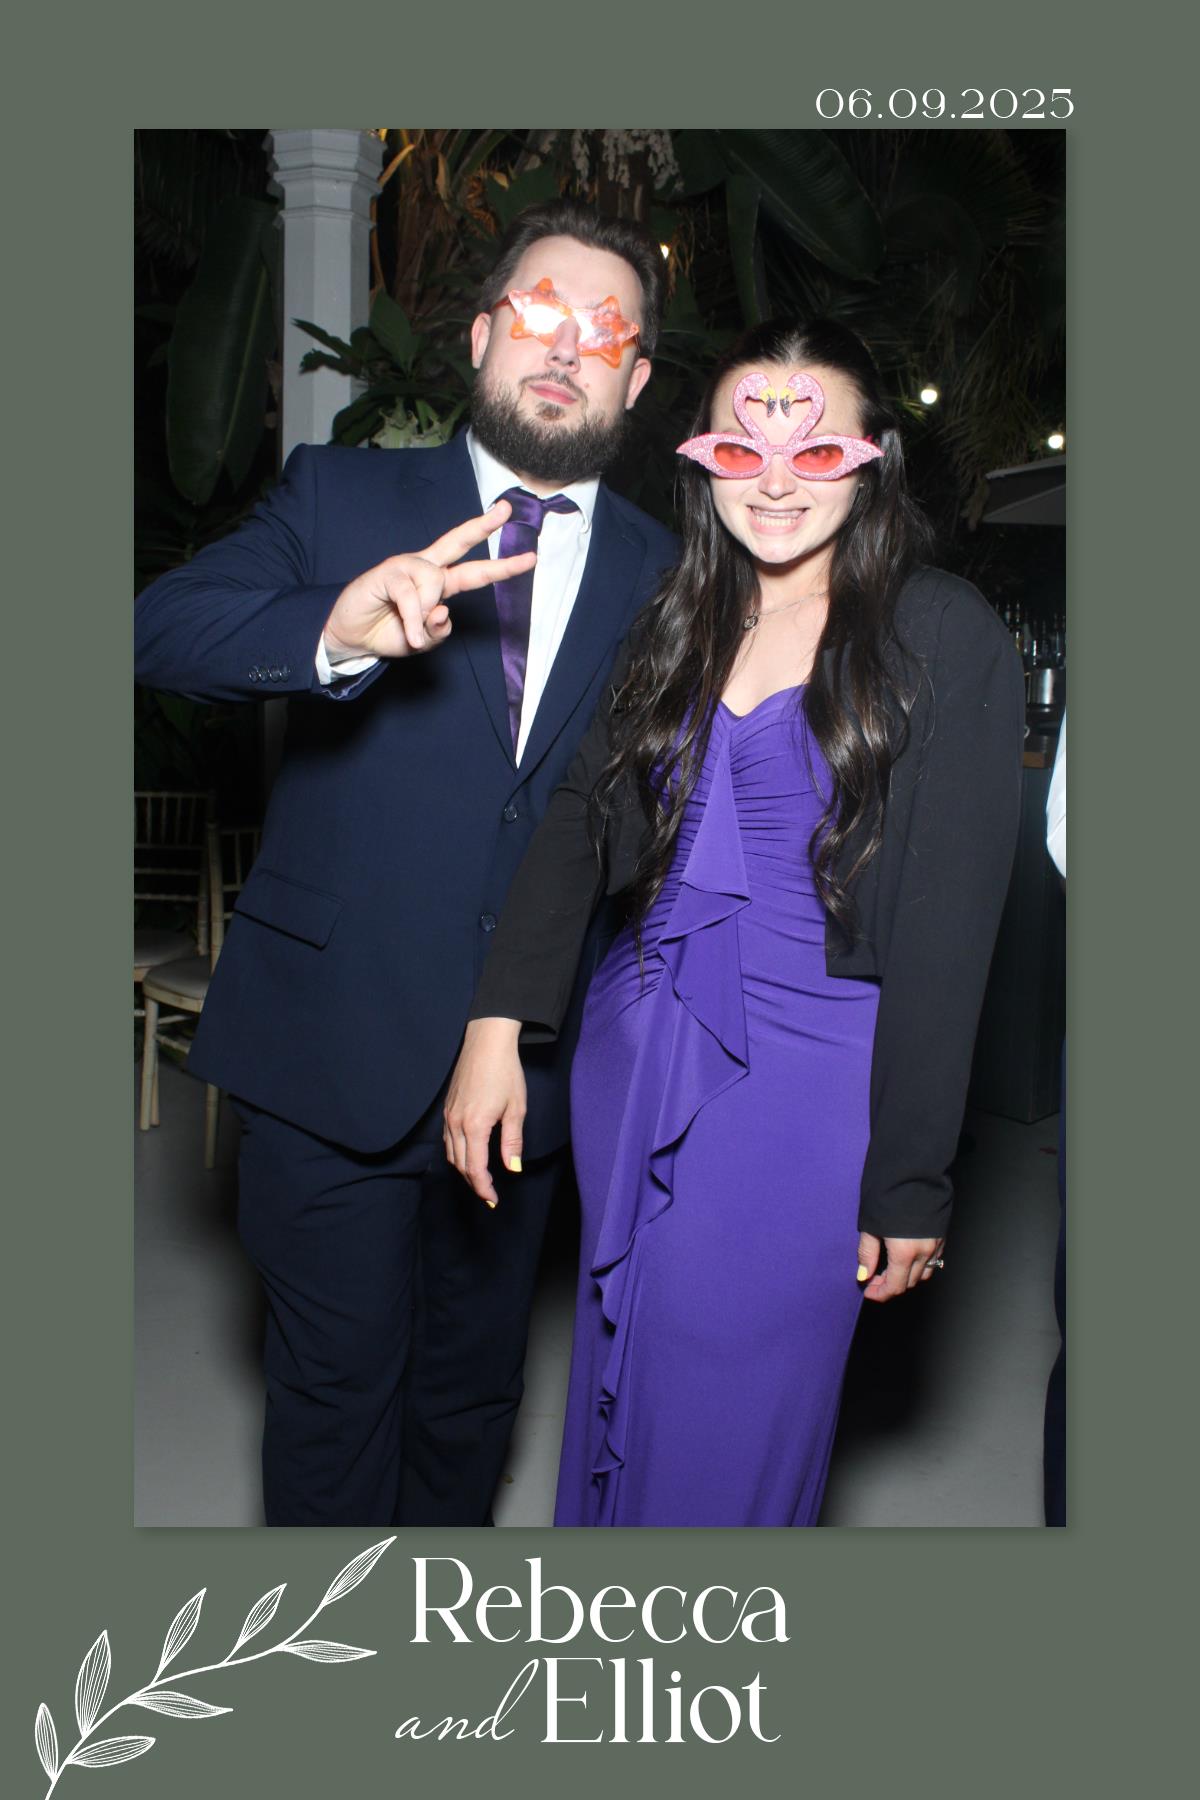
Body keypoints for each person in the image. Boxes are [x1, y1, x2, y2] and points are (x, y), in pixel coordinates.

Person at [134, 200, 678, 1527]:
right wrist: (331, 628)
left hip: (528, 1070)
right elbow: (161, 626)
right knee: (334, 1410)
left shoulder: (669, 572)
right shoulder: (344, 494)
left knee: (466, 1408)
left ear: (637, 380)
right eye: (538, 312)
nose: (566, 345)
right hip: (329, 1044)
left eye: (605, 329)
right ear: (483, 336)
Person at [445, 318, 1025, 1527]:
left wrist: (910, 1178)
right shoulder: (678, 612)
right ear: (700, 456)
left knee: (729, 1428)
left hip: (811, 1087)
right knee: (631, 1383)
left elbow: (950, 933)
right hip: (635, 1051)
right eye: (740, 448)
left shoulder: (939, 631)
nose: (773, 481)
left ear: (873, 461)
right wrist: (498, 1023)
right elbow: (578, 819)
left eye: (815, 452)